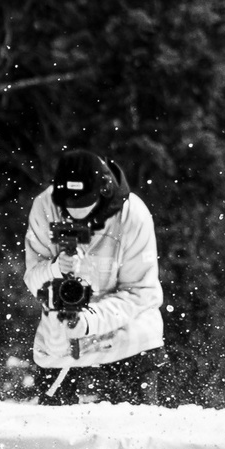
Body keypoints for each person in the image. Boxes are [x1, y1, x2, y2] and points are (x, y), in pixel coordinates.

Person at [23, 148, 164, 405]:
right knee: (53, 436)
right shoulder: (44, 206)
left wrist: (90, 321)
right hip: (61, 339)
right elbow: (33, 280)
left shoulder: (134, 216)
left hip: (128, 337)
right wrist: (55, 269)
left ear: (104, 190)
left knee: (133, 434)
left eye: (84, 204)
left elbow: (140, 293)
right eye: (69, 205)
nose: (76, 212)